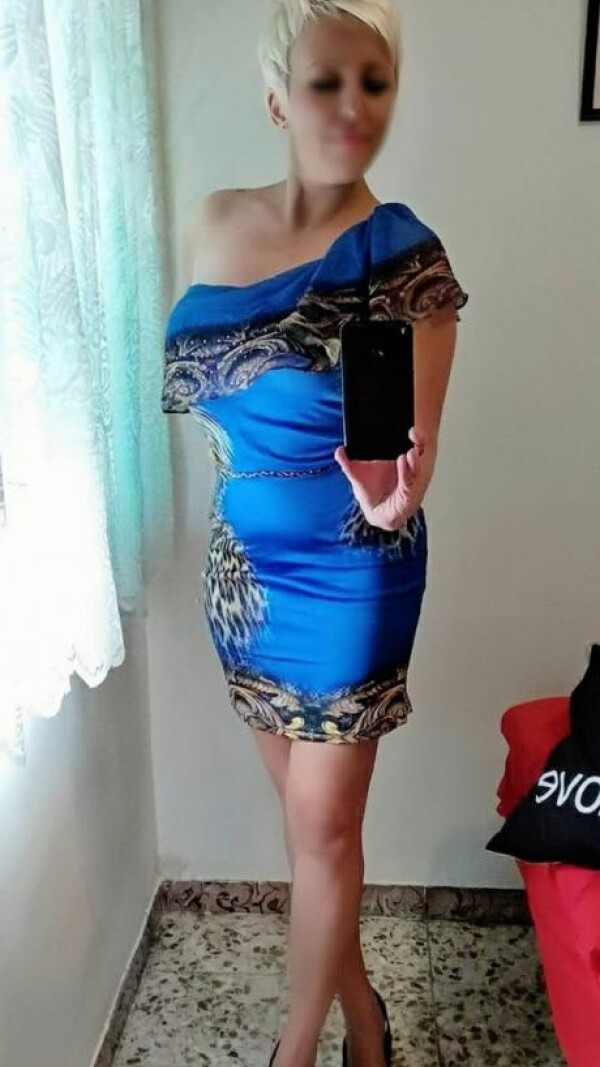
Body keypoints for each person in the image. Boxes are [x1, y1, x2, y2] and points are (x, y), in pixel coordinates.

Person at [162, 1, 468, 1065]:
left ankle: (298, 1050)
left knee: (326, 829)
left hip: (351, 569)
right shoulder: (212, 221)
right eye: (325, 80)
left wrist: (398, 498)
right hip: (242, 572)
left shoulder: (407, 261)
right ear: (276, 98)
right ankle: (366, 1018)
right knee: (309, 833)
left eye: (374, 82)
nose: (351, 107)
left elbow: (414, 458)